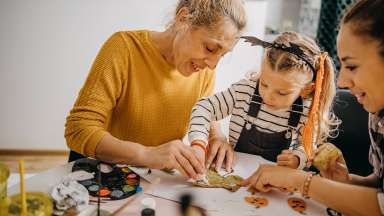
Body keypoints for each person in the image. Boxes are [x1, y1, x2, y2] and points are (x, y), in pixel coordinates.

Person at [64, 0, 246, 180]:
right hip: (103, 175)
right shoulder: (124, 48)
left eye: (221, 55)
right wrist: (146, 154)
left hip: (153, 180)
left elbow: (205, 109)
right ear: (183, 19)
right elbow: (79, 129)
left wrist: (217, 136)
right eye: (210, 48)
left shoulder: (202, 70)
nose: (213, 65)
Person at [240, 0, 384, 215]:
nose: (342, 81)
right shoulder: (378, 114)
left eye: (352, 66)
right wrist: (346, 182)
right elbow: (378, 185)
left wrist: (301, 180)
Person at [187, 31, 339, 172]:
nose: (268, 96)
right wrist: (199, 145)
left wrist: (297, 159)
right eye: (264, 84)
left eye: (282, 92)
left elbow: (308, 148)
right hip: (232, 173)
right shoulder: (244, 91)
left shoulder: (307, 112)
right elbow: (203, 107)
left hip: (275, 186)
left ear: (306, 89)